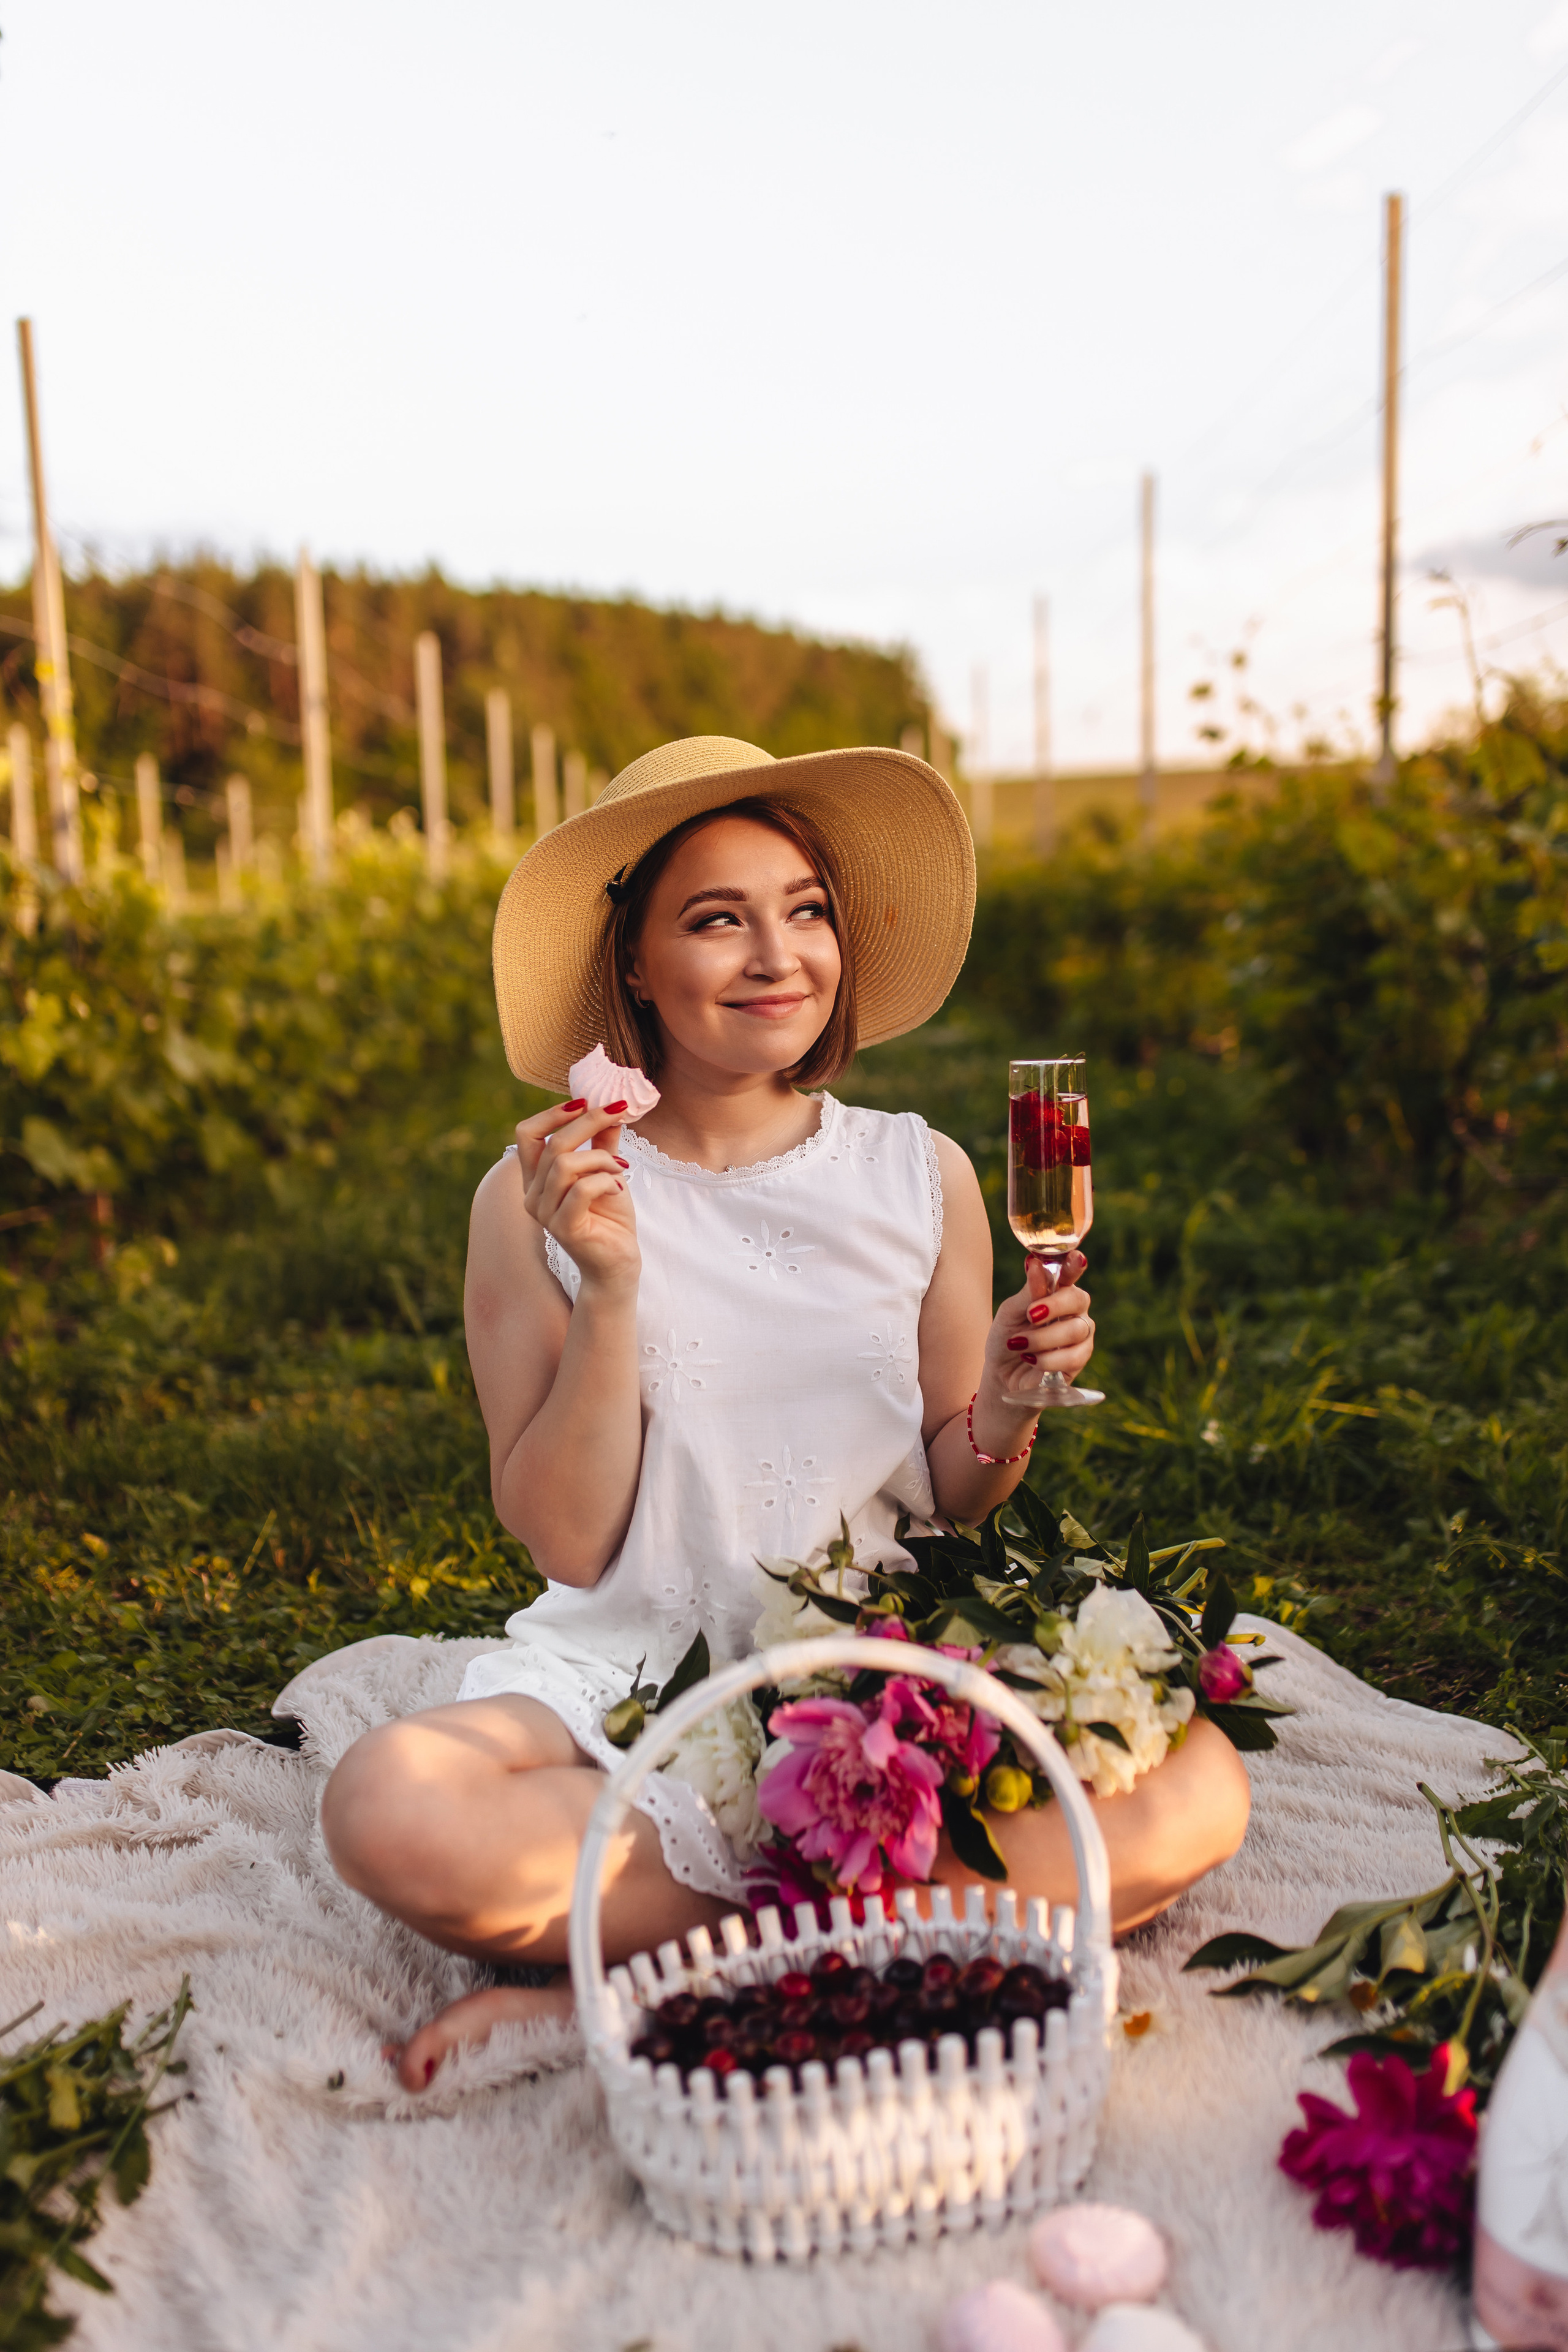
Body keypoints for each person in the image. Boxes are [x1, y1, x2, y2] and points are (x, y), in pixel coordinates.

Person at [320, 734, 1251, 2091]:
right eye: (717, 920)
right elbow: (569, 1547)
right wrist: (616, 1284)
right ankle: (904, 1952)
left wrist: (999, 1402)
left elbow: (953, 1492)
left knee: (1199, 1788)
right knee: (388, 1808)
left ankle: (648, 1988)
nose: (777, 956)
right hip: (635, 1672)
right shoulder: (534, 1196)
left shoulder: (915, 1172)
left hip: (876, 1669)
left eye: (803, 910)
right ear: (633, 963)